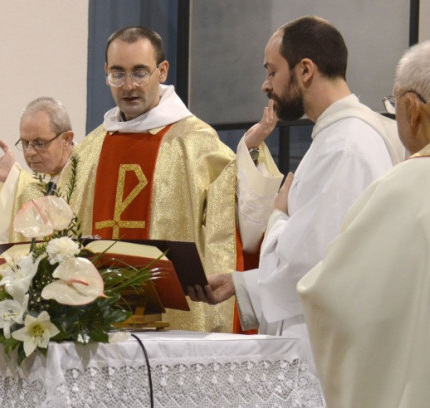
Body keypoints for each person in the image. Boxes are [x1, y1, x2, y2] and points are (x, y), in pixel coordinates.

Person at [188, 16, 406, 365]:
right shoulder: (338, 138)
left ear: (305, 70)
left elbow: (308, 263)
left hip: (328, 354)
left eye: (272, 72)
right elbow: (319, 261)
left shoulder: (345, 146)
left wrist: (278, 215)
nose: (265, 85)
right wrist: (238, 284)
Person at [55, 26, 278, 333]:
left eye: (140, 73)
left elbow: (239, 226)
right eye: (118, 74)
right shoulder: (87, 152)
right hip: (97, 324)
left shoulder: (197, 143)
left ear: (162, 71)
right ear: (105, 72)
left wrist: (248, 154)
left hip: (175, 323)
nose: (129, 86)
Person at [298, 39, 430, 407]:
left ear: (412, 108)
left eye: (393, 105)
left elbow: (337, 300)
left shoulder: (405, 190)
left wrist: (278, 219)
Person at [0, 96, 74, 242]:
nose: (29, 152)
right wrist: (12, 177)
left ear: (66, 139)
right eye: (25, 143)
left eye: (39, 143)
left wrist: (15, 177)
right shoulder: (43, 174)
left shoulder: (87, 173)